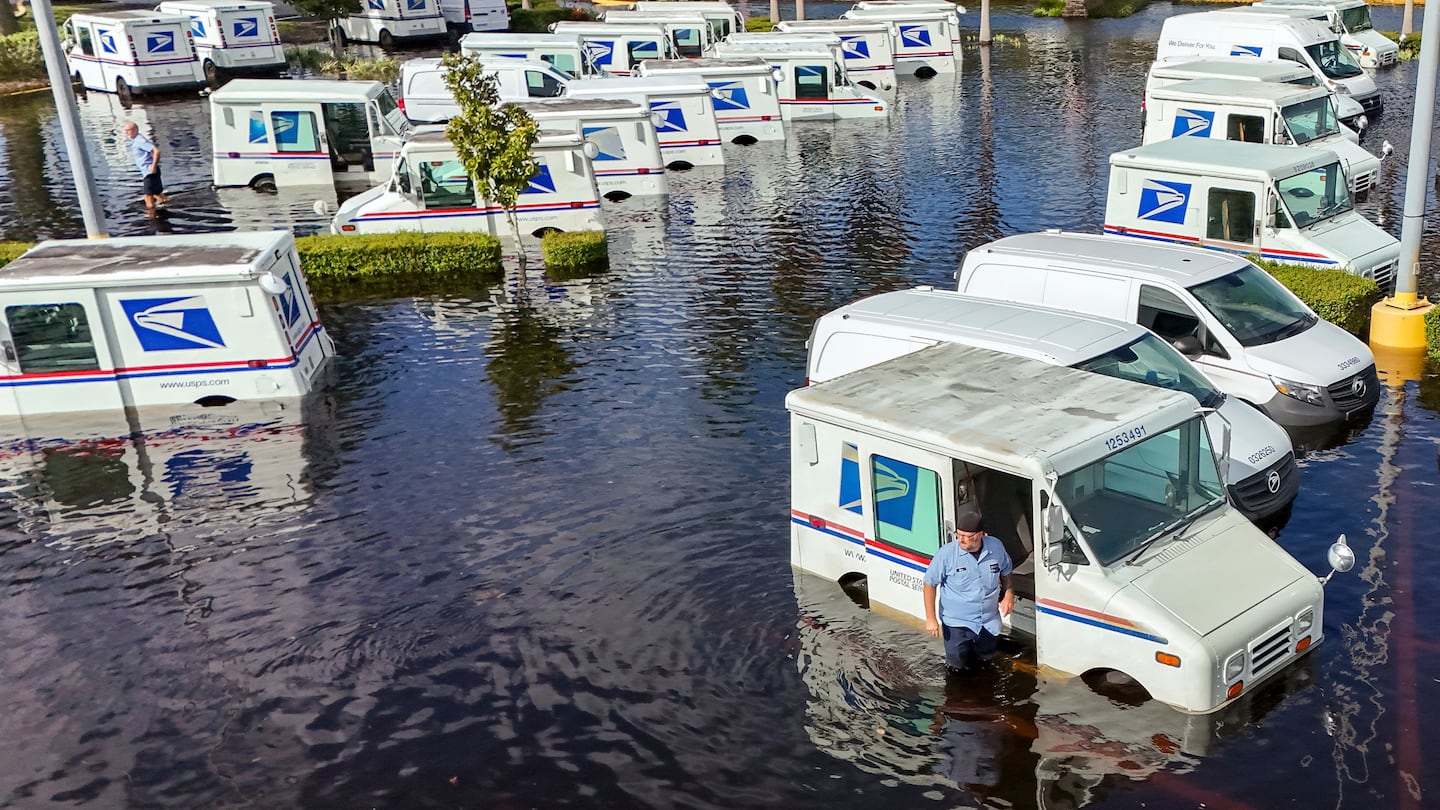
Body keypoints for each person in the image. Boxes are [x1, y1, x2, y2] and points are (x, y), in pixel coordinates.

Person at [923, 509, 1013, 674]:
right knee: (956, 669)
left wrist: (1008, 594)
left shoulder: (996, 547)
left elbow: (1006, 571)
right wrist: (931, 618)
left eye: (967, 536)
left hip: (988, 622)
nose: (961, 540)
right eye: (959, 535)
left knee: (985, 665)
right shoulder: (946, 555)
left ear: (981, 535)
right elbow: (929, 583)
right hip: (957, 624)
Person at [122, 121, 168, 211]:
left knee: (148, 196)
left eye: (128, 130)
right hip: (148, 171)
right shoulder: (136, 140)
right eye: (125, 130)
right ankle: (165, 205)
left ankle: (151, 215)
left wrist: (153, 167)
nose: (126, 133)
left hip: (149, 172)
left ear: (135, 130)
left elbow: (156, 151)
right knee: (157, 194)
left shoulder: (140, 141)